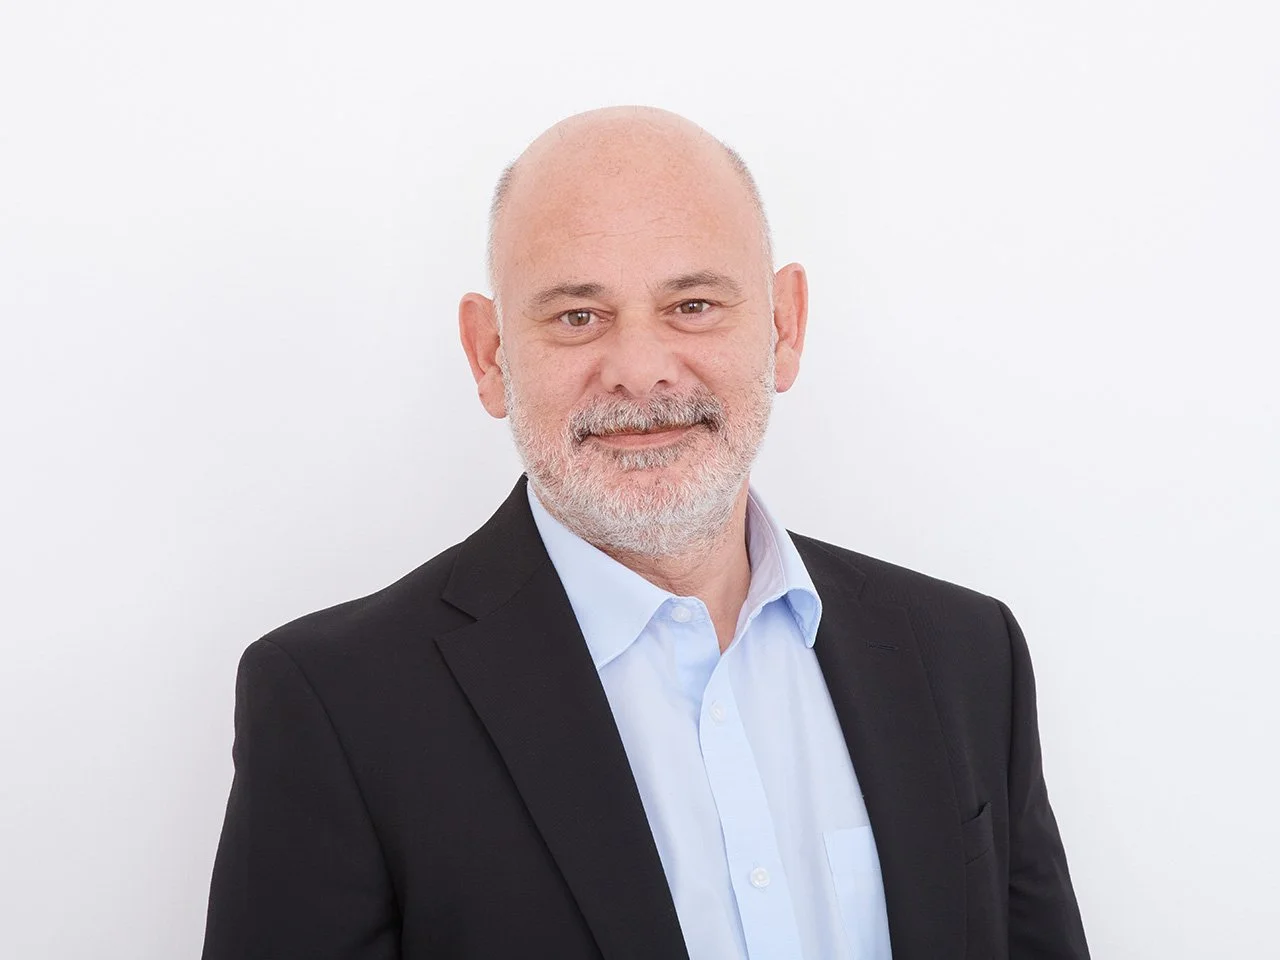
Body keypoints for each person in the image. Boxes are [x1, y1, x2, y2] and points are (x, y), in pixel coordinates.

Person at [202, 106, 1089, 960]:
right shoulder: (335, 708)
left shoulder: (969, 657)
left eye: (694, 304)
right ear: (489, 355)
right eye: (577, 316)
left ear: (784, 327)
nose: (640, 371)